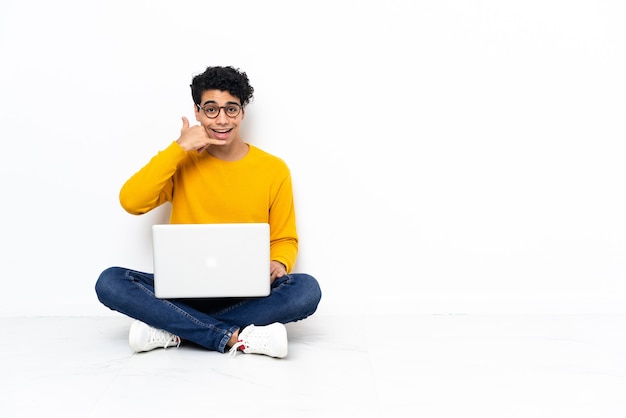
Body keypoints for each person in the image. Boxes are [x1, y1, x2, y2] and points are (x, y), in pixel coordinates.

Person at [95, 66, 322, 358]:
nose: (222, 119)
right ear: (197, 112)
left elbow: (285, 239)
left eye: (231, 109)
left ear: (242, 112)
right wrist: (179, 148)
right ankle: (234, 337)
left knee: (306, 289)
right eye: (211, 110)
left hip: (245, 293)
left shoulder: (273, 169)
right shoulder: (180, 163)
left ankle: (174, 328)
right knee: (110, 281)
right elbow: (131, 201)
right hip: (181, 291)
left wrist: (279, 262)